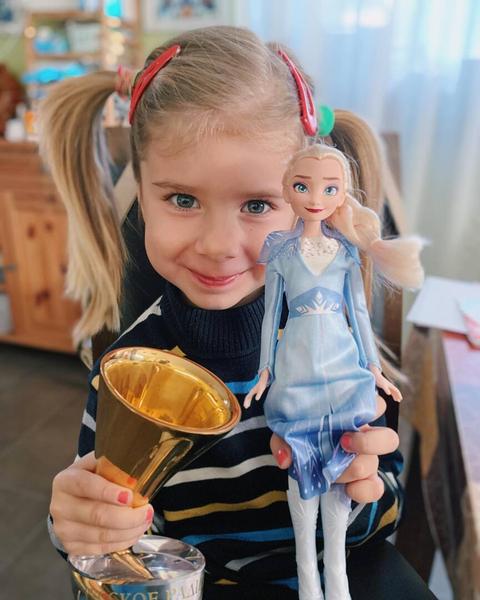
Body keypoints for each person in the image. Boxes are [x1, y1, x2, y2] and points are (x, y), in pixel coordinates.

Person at [41, 26, 436, 599]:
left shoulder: (338, 345)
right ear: (142, 196)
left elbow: (384, 514)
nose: (218, 246)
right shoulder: (129, 374)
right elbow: (112, 543)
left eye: (256, 204)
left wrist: (360, 491)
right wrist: (80, 523)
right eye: (182, 200)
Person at [244, 144, 423, 599]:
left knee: (343, 466)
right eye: (302, 186)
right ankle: (308, 577)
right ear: (287, 189)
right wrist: (264, 370)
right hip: (297, 363)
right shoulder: (281, 251)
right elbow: (270, 316)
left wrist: (375, 368)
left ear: (342, 194)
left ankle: (336, 576)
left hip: (342, 363)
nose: (315, 197)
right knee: (301, 464)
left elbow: (359, 314)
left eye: (329, 188)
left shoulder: (345, 252)